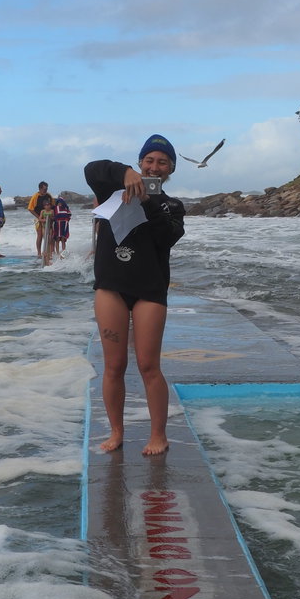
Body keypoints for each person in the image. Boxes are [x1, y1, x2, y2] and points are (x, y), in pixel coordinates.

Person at [84, 136, 185, 457]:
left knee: (148, 365)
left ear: (171, 169)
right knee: (113, 365)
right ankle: (116, 432)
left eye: (162, 162)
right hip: (111, 287)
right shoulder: (111, 192)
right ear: (141, 162)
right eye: (149, 161)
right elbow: (92, 169)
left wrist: (148, 201)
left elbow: (168, 237)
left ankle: (159, 435)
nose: (154, 167)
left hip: (149, 292)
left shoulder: (173, 206)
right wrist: (124, 173)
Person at [28, 181, 50, 256]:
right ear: (40, 189)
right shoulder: (35, 196)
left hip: (47, 218)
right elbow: (30, 208)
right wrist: (39, 218)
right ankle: (39, 253)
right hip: (38, 218)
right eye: (44, 189)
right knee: (40, 235)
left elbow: (52, 205)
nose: (46, 191)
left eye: (46, 189)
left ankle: (48, 252)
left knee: (48, 235)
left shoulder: (48, 195)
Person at [37, 192, 56, 265]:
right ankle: (45, 253)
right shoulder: (43, 211)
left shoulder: (52, 211)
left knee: (50, 240)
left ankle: (50, 254)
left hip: (50, 227)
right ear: (44, 206)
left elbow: (54, 218)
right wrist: (44, 220)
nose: (48, 206)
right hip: (44, 227)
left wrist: (51, 218)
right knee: (46, 240)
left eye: (49, 205)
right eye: (46, 205)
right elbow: (39, 219)